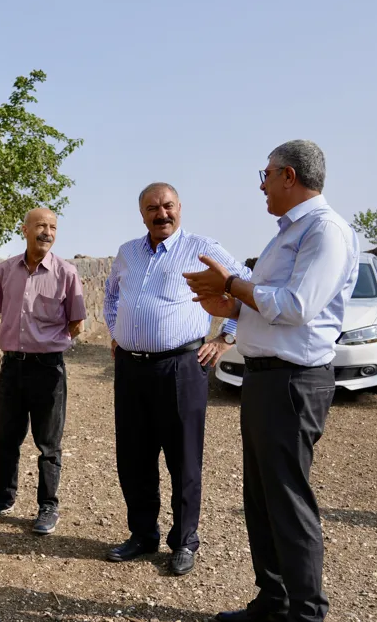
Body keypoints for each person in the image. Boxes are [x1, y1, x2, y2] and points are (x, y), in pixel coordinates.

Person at [184, 140, 358, 622]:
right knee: (261, 498)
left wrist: (231, 284)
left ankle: (306, 613)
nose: (261, 186)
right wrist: (230, 305)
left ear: (288, 176)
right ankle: (273, 602)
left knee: (286, 499)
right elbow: (268, 304)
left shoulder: (325, 231)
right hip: (266, 380)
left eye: (265, 175)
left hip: (293, 382)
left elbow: (296, 307)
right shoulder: (288, 233)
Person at [102, 182, 250, 577]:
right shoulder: (128, 252)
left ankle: (184, 541)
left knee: (183, 458)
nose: (161, 214)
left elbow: (246, 283)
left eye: (167, 206)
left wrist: (226, 337)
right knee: (133, 455)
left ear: (180, 208)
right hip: (131, 369)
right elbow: (111, 295)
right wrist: (116, 332)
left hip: (181, 367)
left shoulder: (202, 249)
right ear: (142, 214)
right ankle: (142, 534)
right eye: (152, 208)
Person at [0, 208, 86, 535]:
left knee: (48, 443)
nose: (47, 232)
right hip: (12, 367)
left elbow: (76, 323)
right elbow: (0, 309)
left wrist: (48, 343)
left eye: (53, 227)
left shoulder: (66, 273)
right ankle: (2, 497)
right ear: (25, 230)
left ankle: (48, 506)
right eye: (41, 226)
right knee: (6, 439)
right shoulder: (6, 270)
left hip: (48, 369)